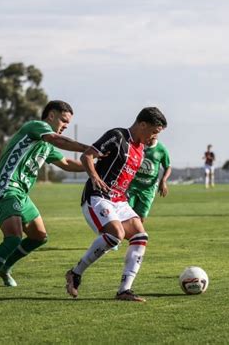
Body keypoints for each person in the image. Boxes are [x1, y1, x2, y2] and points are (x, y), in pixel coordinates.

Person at [0, 100, 90, 301]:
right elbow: (59, 140)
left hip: (22, 195)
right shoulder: (37, 127)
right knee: (14, 238)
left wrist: (96, 165)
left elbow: (67, 163)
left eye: (68, 124)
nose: (64, 126)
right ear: (51, 115)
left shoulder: (47, 145)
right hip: (7, 188)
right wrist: (90, 149)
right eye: (63, 121)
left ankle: (5, 267)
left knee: (39, 237)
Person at [65, 107, 167, 302]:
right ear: (142, 124)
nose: (154, 137)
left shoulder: (140, 149)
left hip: (119, 200)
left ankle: (124, 290)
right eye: (154, 131)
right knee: (116, 234)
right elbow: (87, 156)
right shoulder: (117, 136)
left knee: (140, 235)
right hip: (97, 197)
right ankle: (75, 273)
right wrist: (94, 177)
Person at [127, 137, 172, 221]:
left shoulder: (161, 149)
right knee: (126, 214)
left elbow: (168, 167)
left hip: (148, 189)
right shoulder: (138, 145)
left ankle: (133, 233)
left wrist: (163, 180)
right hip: (132, 186)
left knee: (140, 218)